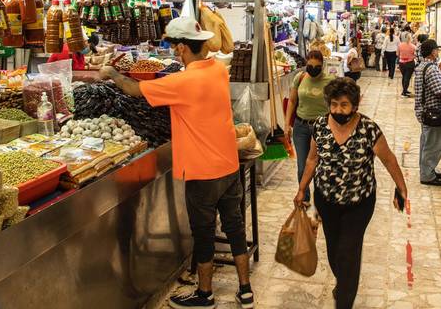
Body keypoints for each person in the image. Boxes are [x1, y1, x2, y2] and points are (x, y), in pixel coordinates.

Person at [99, 18, 254, 309]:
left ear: (182, 47)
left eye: (173, 46)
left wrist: (112, 74)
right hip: (229, 165)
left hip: (202, 172)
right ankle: (245, 291)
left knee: (204, 234)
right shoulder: (218, 70)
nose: (172, 52)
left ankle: (205, 295)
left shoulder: (183, 82)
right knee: (235, 228)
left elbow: (134, 91)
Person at [294, 78, 408, 309]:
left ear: (355, 105)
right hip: (326, 200)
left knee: (348, 252)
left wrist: (402, 189)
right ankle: (344, 282)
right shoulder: (320, 126)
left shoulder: (368, 129)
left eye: (344, 105)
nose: (338, 110)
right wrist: (302, 188)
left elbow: (388, 159)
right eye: (334, 104)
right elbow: (312, 159)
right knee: (334, 253)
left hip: (359, 203)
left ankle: (344, 299)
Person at [285, 50, 336, 204]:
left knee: (321, 166)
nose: (313, 69)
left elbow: (335, 104)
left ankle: (322, 198)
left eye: (317, 66)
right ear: (306, 64)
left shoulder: (330, 81)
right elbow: (292, 101)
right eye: (310, 66)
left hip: (322, 128)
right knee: (302, 166)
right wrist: (287, 124)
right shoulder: (299, 78)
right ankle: (305, 196)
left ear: (322, 65)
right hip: (301, 126)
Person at [414, 39, 441, 187]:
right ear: (432, 52)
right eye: (436, 50)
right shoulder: (431, 68)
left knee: (427, 143)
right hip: (433, 113)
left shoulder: (421, 66)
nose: (438, 52)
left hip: (426, 111)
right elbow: (439, 90)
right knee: (433, 145)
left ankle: (427, 171)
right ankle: (427, 175)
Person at [397, 32, 417, 97]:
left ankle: (405, 90)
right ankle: (404, 92)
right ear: (411, 38)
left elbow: (397, 54)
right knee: (407, 77)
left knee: (404, 76)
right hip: (410, 63)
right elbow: (415, 55)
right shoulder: (413, 46)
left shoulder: (400, 45)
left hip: (401, 63)